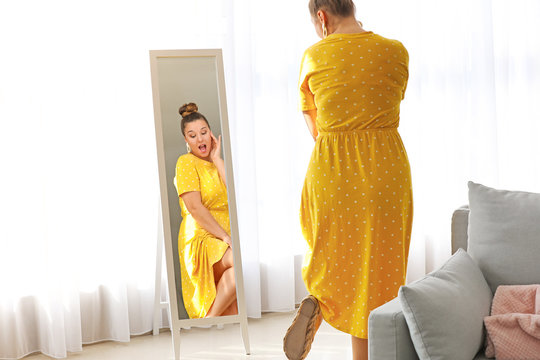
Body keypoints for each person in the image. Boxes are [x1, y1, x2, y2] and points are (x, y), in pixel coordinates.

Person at [283, 1, 413, 359]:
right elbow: (391, 102)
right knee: (378, 273)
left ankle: (321, 299)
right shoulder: (395, 52)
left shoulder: (314, 57)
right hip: (386, 170)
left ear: (322, 17)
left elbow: (316, 128)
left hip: (333, 172)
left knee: (332, 252)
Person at [174, 102, 238, 318]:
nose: (200, 139)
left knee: (233, 305)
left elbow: (237, 196)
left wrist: (217, 159)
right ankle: (209, 320)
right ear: (186, 140)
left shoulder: (217, 163)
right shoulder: (185, 162)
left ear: (211, 134)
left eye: (203, 132)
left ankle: (211, 322)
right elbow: (194, 207)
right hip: (203, 236)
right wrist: (226, 237)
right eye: (193, 135)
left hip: (224, 237)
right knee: (241, 260)